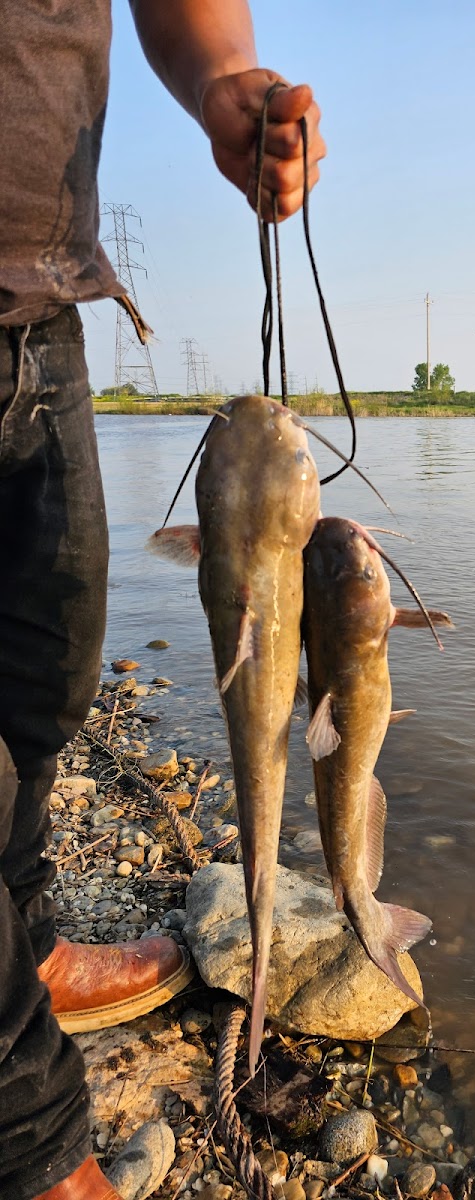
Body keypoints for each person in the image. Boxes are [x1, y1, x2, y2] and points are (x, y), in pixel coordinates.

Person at [0, 3, 326, 1197]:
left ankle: (23, 946)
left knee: (48, 678)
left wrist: (225, 79)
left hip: (41, 305)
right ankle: (29, 1150)